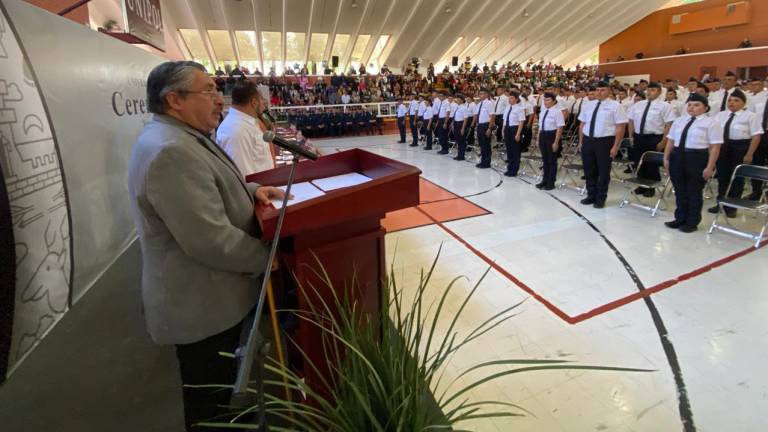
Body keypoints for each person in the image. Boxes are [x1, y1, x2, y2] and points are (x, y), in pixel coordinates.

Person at [127, 61, 287, 431]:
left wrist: (251, 191)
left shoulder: (182, 137)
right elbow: (210, 239)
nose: (219, 99)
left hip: (211, 294)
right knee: (207, 397)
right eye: (209, 90)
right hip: (199, 302)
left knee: (222, 380)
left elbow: (212, 188)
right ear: (175, 100)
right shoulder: (171, 151)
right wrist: (268, 258)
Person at [663, 93, 722, 233]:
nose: (692, 107)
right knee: (679, 190)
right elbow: (670, 140)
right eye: (689, 104)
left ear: (706, 108)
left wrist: (710, 166)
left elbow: (715, 147)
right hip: (677, 156)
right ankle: (680, 218)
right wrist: (666, 158)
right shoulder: (679, 121)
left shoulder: (711, 123)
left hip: (697, 157)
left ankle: (692, 221)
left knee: (693, 191)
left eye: (696, 105)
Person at [708, 89, 763, 217]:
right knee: (722, 176)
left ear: (744, 103)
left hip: (740, 147)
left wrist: (749, 154)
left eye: (736, 101)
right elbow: (713, 132)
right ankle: (720, 203)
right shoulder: (721, 115)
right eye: (730, 100)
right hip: (723, 146)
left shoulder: (750, 116)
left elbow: (756, 136)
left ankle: (732, 207)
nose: (732, 103)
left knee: (737, 178)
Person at [578, 81, 628, 208]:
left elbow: (620, 127)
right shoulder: (588, 105)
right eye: (597, 90)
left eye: (603, 90)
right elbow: (582, 124)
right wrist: (581, 141)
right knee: (589, 170)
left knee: (603, 171)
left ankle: (600, 198)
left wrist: (616, 146)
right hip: (588, 140)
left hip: (605, 141)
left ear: (609, 91)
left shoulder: (616, 106)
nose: (599, 92)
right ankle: (591, 195)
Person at [627, 82, 677, 197]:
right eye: (648, 90)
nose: (649, 92)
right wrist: (631, 136)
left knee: (651, 163)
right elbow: (631, 120)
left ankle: (651, 187)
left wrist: (664, 141)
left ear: (659, 92)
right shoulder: (638, 105)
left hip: (654, 137)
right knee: (638, 161)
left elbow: (669, 124)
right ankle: (641, 185)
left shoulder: (665, 106)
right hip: (638, 136)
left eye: (653, 90)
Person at [216, 81, 275, 177]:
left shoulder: (248, 123)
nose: (264, 103)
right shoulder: (237, 130)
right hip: (256, 190)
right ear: (254, 103)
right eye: (261, 99)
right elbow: (243, 176)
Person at [537, 92, 566, 190]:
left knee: (552, 160)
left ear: (554, 101)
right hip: (543, 135)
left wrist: (556, 142)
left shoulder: (557, 112)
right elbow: (540, 127)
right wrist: (538, 139)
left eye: (548, 100)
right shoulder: (543, 111)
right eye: (544, 100)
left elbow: (560, 127)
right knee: (545, 160)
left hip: (552, 135)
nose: (545, 102)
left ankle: (551, 182)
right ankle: (544, 180)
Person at [748, 77, 768, 199]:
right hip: (760, 133)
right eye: (753, 84)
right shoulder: (752, 98)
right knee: (757, 161)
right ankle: (756, 191)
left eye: (758, 84)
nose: (755, 86)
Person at [501, 91, 526, 177]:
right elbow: (504, 120)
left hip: (515, 129)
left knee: (515, 151)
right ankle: (509, 168)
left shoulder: (519, 108)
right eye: (509, 98)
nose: (510, 100)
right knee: (509, 150)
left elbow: (521, 122)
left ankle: (514, 170)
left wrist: (518, 134)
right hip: (507, 129)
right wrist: (503, 130)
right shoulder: (507, 108)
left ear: (516, 99)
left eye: (512, 98)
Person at [475, 88, 494, 168]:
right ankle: (482, 161)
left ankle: (486, 162)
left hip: (486, 125)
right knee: (482, 144)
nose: (480, 95)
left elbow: (492, 116)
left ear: (487, 94)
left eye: (482, 94)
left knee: (486, 144)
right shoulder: (479, 104)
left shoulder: (489, 103)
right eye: (480, 94)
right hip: (480, 125)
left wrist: (489, 128)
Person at [452, 94, 469, 161]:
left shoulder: (464, 108)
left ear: (462, 100)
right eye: (457, 99)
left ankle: (462, 156)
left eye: (459, 99)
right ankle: (459, 155)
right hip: (456, 124)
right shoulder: (458, 107)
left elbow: (465, 118)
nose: (457, 100)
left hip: (461, 124)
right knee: (458, 140)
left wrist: (463, 128)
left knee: (462, 141)